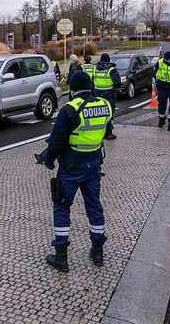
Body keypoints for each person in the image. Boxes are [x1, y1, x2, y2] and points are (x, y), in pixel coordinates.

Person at [42, 71, 113, 272]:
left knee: (62, 207)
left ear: (72, 89)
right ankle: (98, 251)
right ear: (89, 86)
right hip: (93, 166)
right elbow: (107, 132)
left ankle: (61, 257)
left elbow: (56, 140)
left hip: (71, 169)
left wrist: (48, 162)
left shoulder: (69, 110)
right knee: (94, 206)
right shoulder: (105, 105)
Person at [92, 53, 121, 140]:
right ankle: (109, 133)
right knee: (110, 113)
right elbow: (118, 83)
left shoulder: (95, 68)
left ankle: (98, 131)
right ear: (108, 60)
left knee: (99, 113)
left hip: (97, 94)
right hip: (109, 95)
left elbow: (92, 80)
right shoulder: (111, 70)